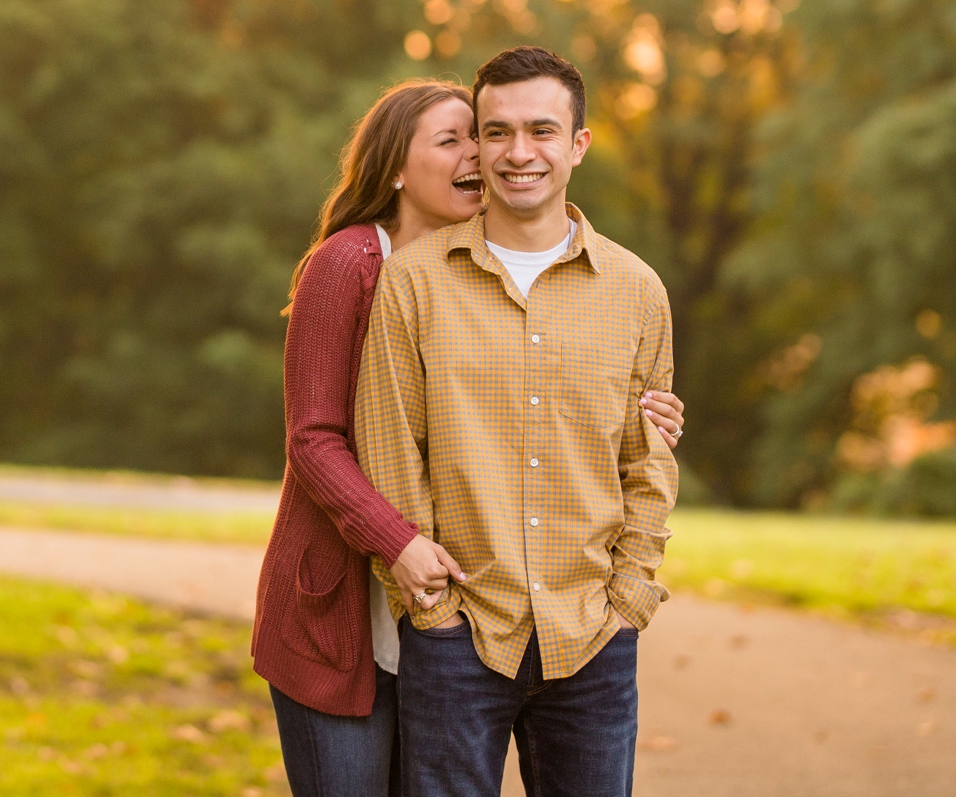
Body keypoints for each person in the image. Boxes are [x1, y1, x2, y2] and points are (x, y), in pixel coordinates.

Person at [253, 77, 686, 797]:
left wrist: (638, 412)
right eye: (453, 139)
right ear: (395, 165)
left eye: (471, 138)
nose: (479, 157)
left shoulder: (570, 277)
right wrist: (400, 545)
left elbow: (553, 402)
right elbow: (314, 440)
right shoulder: (354, 264)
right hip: (349, 602)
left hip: (440, 607)